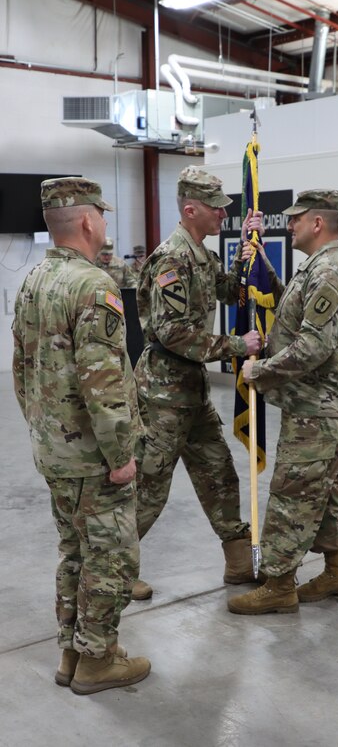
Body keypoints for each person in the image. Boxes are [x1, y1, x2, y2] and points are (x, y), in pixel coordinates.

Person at [12, 177, 151, 695]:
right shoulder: (93, 286)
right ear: (89, 221)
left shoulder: (32, 283)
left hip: (54, 451)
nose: (105, 225)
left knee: (74, 551)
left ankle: (72, 652)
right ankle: (98, 660)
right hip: (94, 456)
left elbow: (21, 370)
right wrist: (120, 455)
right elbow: (104, 378)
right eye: (104, 217)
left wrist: (44, 433)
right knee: (111, 556)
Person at [132, 166, 263, 600]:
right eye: (216, 209)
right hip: (163, 395)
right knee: (150, 485)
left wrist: (248, 248)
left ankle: (240, 563)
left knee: (218, 472)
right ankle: (112, 569)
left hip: (192, 390)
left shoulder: (201, 254)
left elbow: (229, 290)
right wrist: (234, 345)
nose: (223, 215)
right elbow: (172, 333)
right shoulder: (173, 259)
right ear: (191, 209)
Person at [227, 189, 338, 616]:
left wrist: (259, 371)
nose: (290, 225)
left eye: (296, 219)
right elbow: (289, 308)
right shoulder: (317, 268)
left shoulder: (330, 272)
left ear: (317, 223)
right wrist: (258, 259)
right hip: (312, 407)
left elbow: (313, 347)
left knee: (292, 494)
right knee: (323, 493)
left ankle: (280, 584)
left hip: (319, 410)